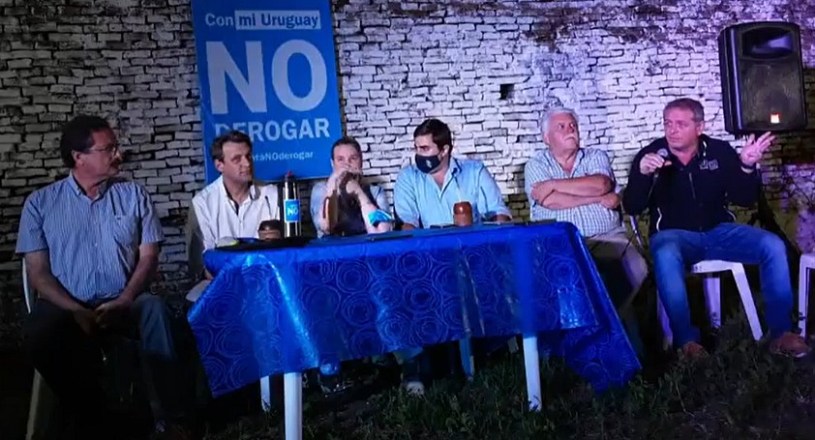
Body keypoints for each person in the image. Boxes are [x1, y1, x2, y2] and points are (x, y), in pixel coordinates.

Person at [17, 115, 195, 439]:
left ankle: (173, 418)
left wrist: (125, 299)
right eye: (108, 149)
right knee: (39, 331)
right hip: (66, 306)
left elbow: (149, 257)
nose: (118, 154)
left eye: (116, 147)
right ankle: (95, 417)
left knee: (155, 310)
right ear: (79, 157)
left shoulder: (134, 195)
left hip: (125, 299)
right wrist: (76, 310)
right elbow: (38, 274)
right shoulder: (40, 204)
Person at [622, 97, 810, 359]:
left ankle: (781, 333)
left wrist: (746, 166)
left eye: (680, 124)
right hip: (674, 236)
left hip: (719, 231)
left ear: (699, 127)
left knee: (772, 245)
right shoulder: (651, 155)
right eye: (667, 124)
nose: (672, 130)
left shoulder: (719, 151)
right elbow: (632, 206)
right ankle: (686, 342)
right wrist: (642, 174)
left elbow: (744, 199)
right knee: (664, 253)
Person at [524, 107, 648, 323]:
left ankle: (607, 324)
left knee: (637, 268)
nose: (570, 130)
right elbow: (550, 201)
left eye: (573, 125)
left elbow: (601, 184)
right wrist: (597, 198)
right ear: (546, 138)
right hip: (560, 243)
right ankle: (590, 327)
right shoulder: (536, 165)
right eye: (562, 127)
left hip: (608, 238)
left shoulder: (596, 156)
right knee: (564, 278)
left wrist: (553, 184)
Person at [186, 130, 280, 302]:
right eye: (237, 159)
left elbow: (282, 252)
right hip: (220, 283)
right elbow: (205, 265)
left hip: (266, 281)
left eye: (248, 156)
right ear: (219, 165)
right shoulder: (203, 203)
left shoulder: (272, 195)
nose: (247, 163)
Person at [394, 118, 512, 228]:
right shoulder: (408, 177)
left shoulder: (475, 172)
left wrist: (499, 230)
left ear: (444, 150)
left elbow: (497, 212)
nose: (418, 154)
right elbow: (407, 222)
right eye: (416, 148)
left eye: (425, 149)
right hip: (428, 243)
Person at [310, 136, 392, 238]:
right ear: (332, 164)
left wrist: (359, 193)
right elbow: (326, 227)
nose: (347, 165)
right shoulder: (321, 190)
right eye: (340, 159)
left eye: (353, 158)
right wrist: (332, 184)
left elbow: (383, 232)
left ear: (361, 161)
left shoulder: (375, 191)